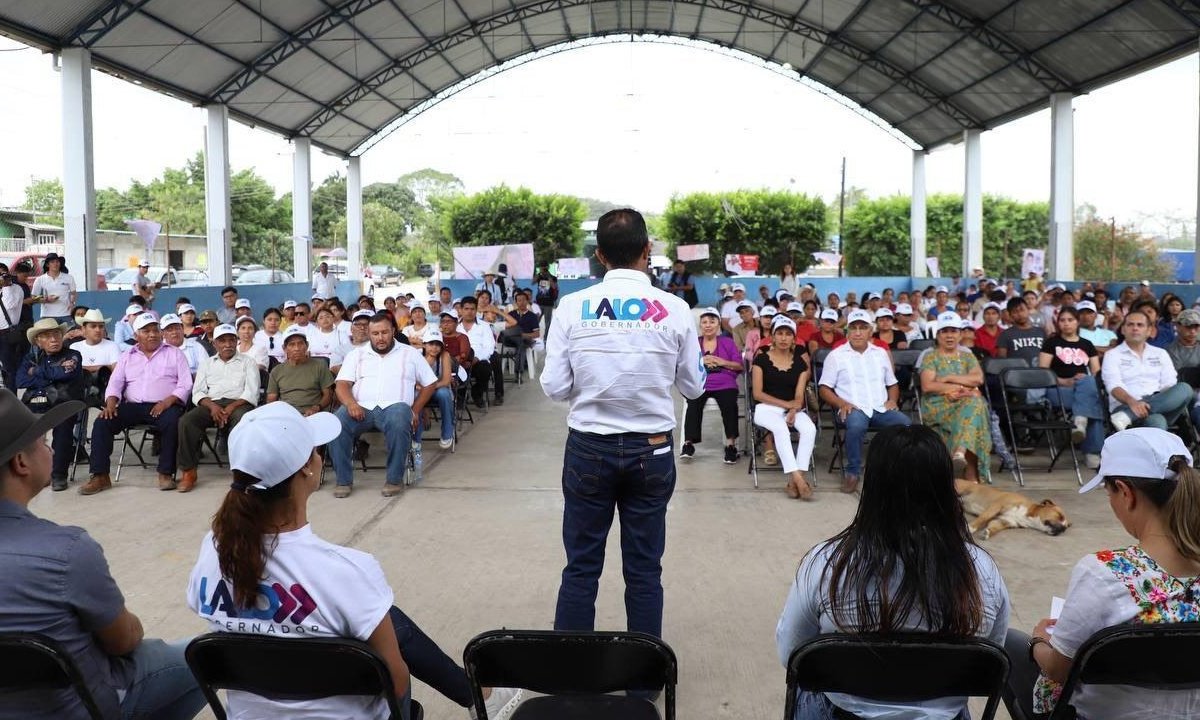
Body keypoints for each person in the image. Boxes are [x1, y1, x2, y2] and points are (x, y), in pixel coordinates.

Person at [186, 401, 523, 720]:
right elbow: (397, 682)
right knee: (383, 623)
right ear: (308, 467)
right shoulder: (345, 569)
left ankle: (483, 696)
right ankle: (482, 697)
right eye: (317, 450)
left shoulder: (212, 551)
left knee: (384, 618)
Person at [541, 208, 705, 640]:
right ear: (647, 250)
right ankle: (642, 679)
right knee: (645, 570)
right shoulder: (674, 309)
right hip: (652, 451)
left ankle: (572, 678)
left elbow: (555, 387)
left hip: (588, 450)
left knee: (581, 567)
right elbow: (693, 386)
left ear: (599, 255)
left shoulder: (572, 308)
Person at [778, 425, 1010, 720]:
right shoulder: (981, 570)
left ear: (873, 485)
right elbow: (990, 658)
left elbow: (791, 654)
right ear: (946, 486)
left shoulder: (826, 563)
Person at [0, 391, 205, 720]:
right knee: (200, 654)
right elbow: (123, 640)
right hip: (82, 708)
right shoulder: (65, 551)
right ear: (21, 463)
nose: (50, 447)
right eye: (42, 441)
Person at [1004, 428, 1200, 720]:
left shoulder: (1104, 573)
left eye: (1109, 492)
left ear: (1125, 492)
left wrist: (1038, 642)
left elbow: (1058, 669)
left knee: (1011, 642)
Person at [329, 313, 438, 498]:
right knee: (337, 423)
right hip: (360, 407)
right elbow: (342, 384)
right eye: (375, 333)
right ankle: (343, 481)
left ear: (393, 331)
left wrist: (415, 410)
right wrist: (350, 403)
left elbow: (430, 384)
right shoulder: (356, 354)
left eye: (385, 332)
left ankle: (394, 480)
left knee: (399, 418)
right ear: (369, 334)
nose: (380, 338)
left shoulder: (410, 353)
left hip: (396, 407)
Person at [819, 309, 911, 494]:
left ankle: (898, 470)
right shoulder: (836, 356)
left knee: (906, 424)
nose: (858, 332)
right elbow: (823, 389)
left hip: (880, 408)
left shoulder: (880, 353)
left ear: (871, 331)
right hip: (852, 408)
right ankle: (852, 472)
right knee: (856, 426)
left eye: (863, 328)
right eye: (853, 328)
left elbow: (892, 383)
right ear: (847, 332)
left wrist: (892, 400)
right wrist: (841, 403)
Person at [174, 323, 260, 493]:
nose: (227, 344)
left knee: (244, 422)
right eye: (222, 341)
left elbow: (252, 392)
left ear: (236, 341)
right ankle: (188, 472)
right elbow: (198, 392)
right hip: (211, 403)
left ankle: (242, 471)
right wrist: (213, 406)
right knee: (186, 421)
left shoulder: (248, 362)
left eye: (231, 340)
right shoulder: (206, 363)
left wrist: (231, 407)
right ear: (214, 344)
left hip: (239, 403)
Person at [15, 318, 86, 492]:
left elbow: (64, 374)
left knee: (62, 427)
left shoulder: (72, 355)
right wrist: (50, 375)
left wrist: (37, 372)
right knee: (19, 427)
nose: (54, 339)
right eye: (47, 336)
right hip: (38, 403)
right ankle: (32, 472)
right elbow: (20, 380)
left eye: (56, 334)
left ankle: (58, 475)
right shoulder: (31, 357)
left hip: (64, 403)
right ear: (38, 341)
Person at [920, 311, 991, 482]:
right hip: (939, 405)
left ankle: (960, 452)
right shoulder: (930, 357)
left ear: (960, 334)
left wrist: (949, 378)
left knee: (974, 404)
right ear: (937, 335)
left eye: (954, 331)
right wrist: (962, 387)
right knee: (976, 403)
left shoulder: (967, 356)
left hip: (965, 404)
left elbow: (978, 378)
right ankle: (972, 478)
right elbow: (928, 385)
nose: (949, 335)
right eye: (945, 331)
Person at [753, 315, 818, 499]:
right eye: (779, 333)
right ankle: (799, 479)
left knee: (809, 429)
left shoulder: (800, 363)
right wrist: (786, 405)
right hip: (766, 408)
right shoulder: (761, 360)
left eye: (788, 334)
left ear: (794, 339)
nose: (783, 338)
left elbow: (799, 395)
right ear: (772, 337)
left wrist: (792, 409)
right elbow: (757, 393)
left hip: (793, 409)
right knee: (781, 429)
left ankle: (793, 481)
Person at [1101, 310, 1192, 432]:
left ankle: (1128, 416)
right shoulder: (1112, 355)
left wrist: (1150, 403)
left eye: (1140, 325)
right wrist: (1133, 403)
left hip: (1161, 406)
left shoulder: (1160, 354)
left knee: (1185, 389)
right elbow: (1113, 386)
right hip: (1125, 405)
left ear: (1149, 331)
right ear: (1123, 329)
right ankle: (1131, 414)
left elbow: (1169, 383)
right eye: (1130, 324)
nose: (1135, 328)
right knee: (1157, 422)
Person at [1038, 307, 1106, 470]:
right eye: (1063, 320)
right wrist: (1064, 381)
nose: (1066, 324)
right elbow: (1042, 372)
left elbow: (1097, 373)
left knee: (1089, 382)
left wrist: (1083, 380)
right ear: (1058, 323)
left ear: (1077, 322)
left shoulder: (1086, 344)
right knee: (1093, 403)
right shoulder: (1051, 343)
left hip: (1083, 389)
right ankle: (1092, 453)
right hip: (1058, 390)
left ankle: (1080, 421)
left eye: (1070, 320)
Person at [681, 307, 743, 464]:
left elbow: (739, 365)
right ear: (700, 325)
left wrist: (722, 362)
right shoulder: (694, 343)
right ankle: (688, 444)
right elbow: (684, 364)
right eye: (704, 322)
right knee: (693, 402)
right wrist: (701, 362)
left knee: (729, 404)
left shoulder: (727, 342)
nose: (708, 325)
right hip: (701, 381)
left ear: (718, 325)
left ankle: (730, 446)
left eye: (712, 321)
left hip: (724, 382)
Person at [266, 325, 336, 414]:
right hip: (286, 416)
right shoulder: (276, 371)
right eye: (292, 345)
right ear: (284, 348)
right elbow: (271, 399)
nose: (297, 348)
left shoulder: (320, 365)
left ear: (307, 345)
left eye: (300, 343)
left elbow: (328, 395)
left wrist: (317, 407)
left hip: (313, 414)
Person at [458, 296, 500, 406]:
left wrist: (476, 358)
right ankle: (460, 397)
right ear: (461, 310)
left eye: (472, 309)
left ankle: (477, 392)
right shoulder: (455, 326)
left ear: (476, 310)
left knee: (485, 369)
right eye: (466, 309)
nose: (469, 312)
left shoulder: (484, 326)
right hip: (459, 360)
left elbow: (489, 347)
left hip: (478, 360)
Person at [418, 327, 456, 449]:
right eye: (431, 344)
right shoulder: (417, 356)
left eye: (437, 345)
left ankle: (447, 433)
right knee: (412, 396)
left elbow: (445, 380)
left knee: (444, 393)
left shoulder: (445, 356)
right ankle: (415, 436)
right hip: (421, 391)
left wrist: (428, 387)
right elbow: (413, 380)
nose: (434, 347)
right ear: (424, 345)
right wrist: (428, 361)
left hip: (438, 389)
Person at [501, 290, 541, 377]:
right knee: (519, 341)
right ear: (516, 302)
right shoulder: (511, 314)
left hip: (526, 340)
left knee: (522, 343)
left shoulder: (532, 316)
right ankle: (519, 373)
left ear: (527, 301)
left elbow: (537, 334)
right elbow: (505, 328)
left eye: (524, 300)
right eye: (519, 300)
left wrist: (524, 335)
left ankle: (518, 372)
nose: (522, 302)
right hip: (511, 340)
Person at [31, 252, 76, 323]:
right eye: (52, 262)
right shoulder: (40, 279)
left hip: (66, 314)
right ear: (47, 264)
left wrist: (72, 303)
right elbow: (33, 298)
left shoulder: (69, 278)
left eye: (57, 261)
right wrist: (46, 299)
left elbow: (73, 293)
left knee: (68, 333)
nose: (55, 264)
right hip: (47, 315)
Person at [997, 296, 1045, 363]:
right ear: (1010, 315)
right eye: (1015, 312)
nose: (1020, 314)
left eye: (1022, 310)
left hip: (1039, 372)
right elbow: (1002, 361)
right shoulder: (1005, 335)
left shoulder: (1041, 332)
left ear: (1028, 310)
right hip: (1016, 372)